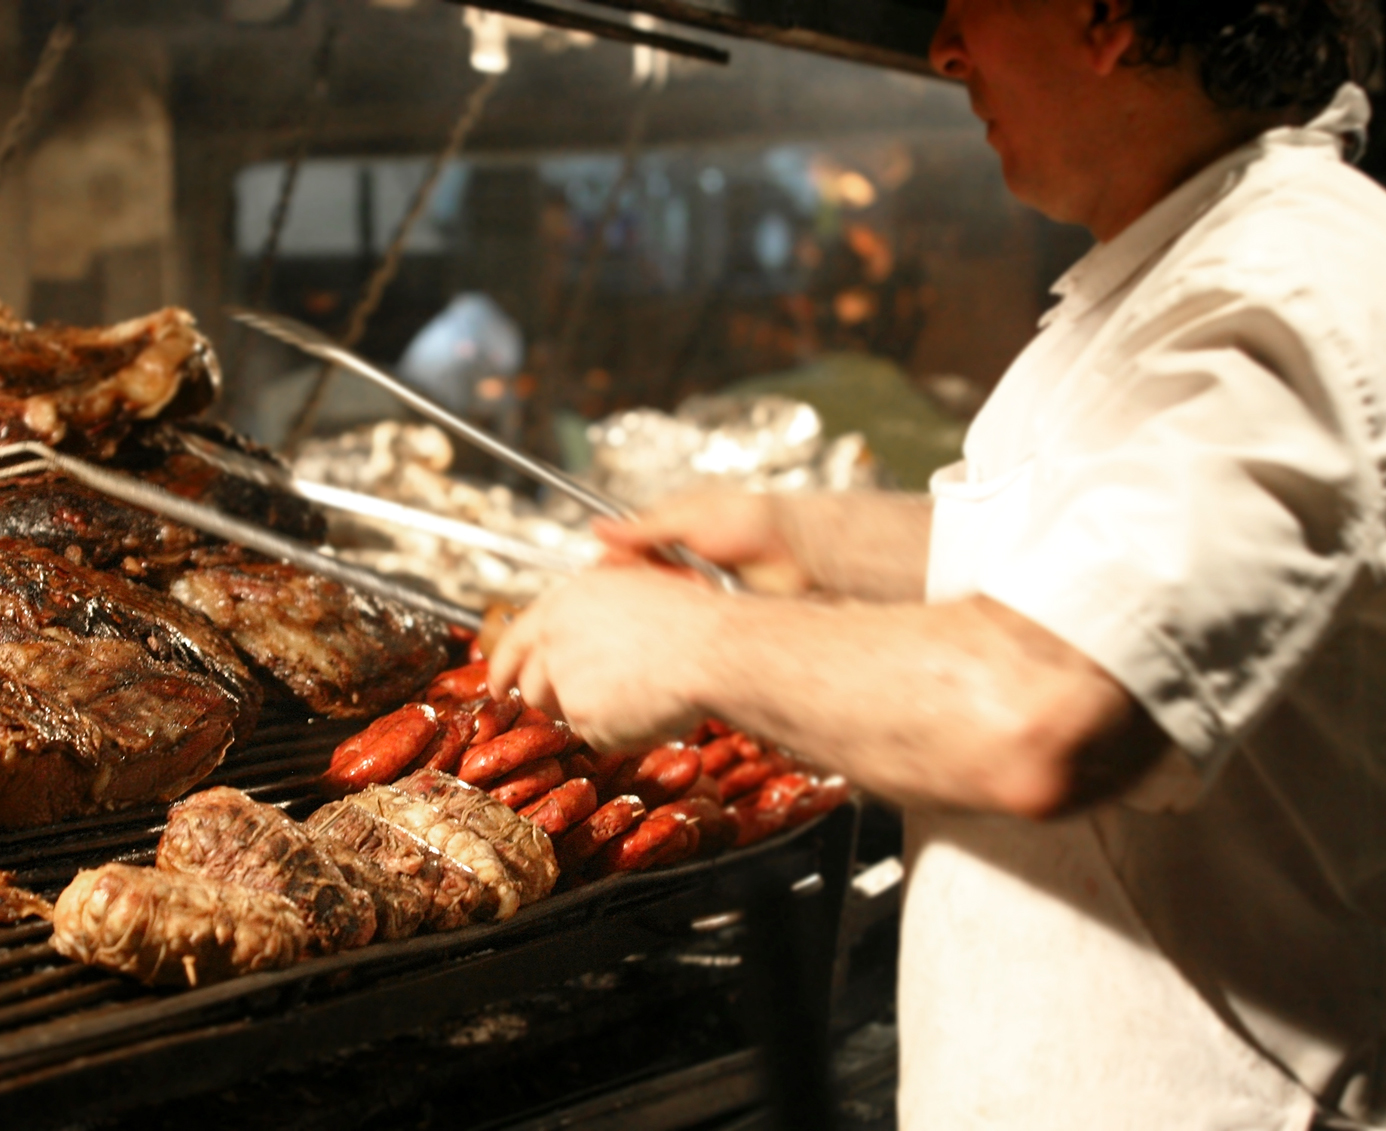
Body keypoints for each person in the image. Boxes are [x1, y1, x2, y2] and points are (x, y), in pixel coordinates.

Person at [487, 1, 1386, 1127]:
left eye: (971, 6)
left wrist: (695, 640)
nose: (945, 49)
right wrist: (804, 534)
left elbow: (1048, 705)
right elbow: (1074, 562)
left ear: (1101, 17)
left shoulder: (1276, 292)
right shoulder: (1186, 269)